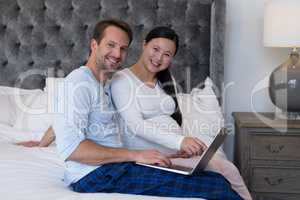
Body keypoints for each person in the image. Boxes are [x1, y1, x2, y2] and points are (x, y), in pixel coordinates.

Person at [50, 19, 242, 199]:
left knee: (217, 181)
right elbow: (72, 149)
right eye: (111, 45)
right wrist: (135, 155)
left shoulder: (104, 83)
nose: (117, 54)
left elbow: (66, 119)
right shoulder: (76, 84)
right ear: (94, 45)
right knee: (215, 187)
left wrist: (161, 154)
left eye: (123, 48)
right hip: (94, 175)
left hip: (116, 167)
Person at [110, 26, 251, 200]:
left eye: (167, 54)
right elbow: (136, 126)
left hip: (175, 154)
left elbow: (173, 121)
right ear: (144, 45)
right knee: (223, 175)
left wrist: (183, 148)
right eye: (155, 49)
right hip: (150, 157)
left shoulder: (166, 81)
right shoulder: (122, 80)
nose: (159, 58)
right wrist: (181, 141)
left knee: (229, 170)